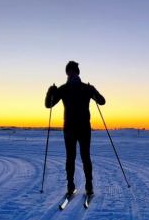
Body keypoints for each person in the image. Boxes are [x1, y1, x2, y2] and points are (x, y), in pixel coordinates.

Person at [45, 61, 105, 196]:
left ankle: (72, 186)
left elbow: (48, 104)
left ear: (68, 73)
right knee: (84, 157)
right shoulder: (85, 88)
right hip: (83, 128)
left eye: (71, 71)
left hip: (70, 129)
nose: (71, 74)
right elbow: (102, 101)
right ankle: (87, 186)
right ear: (78, 72)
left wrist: (50, 92)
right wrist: (93, 91)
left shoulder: (64, 88)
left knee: (71, 158)